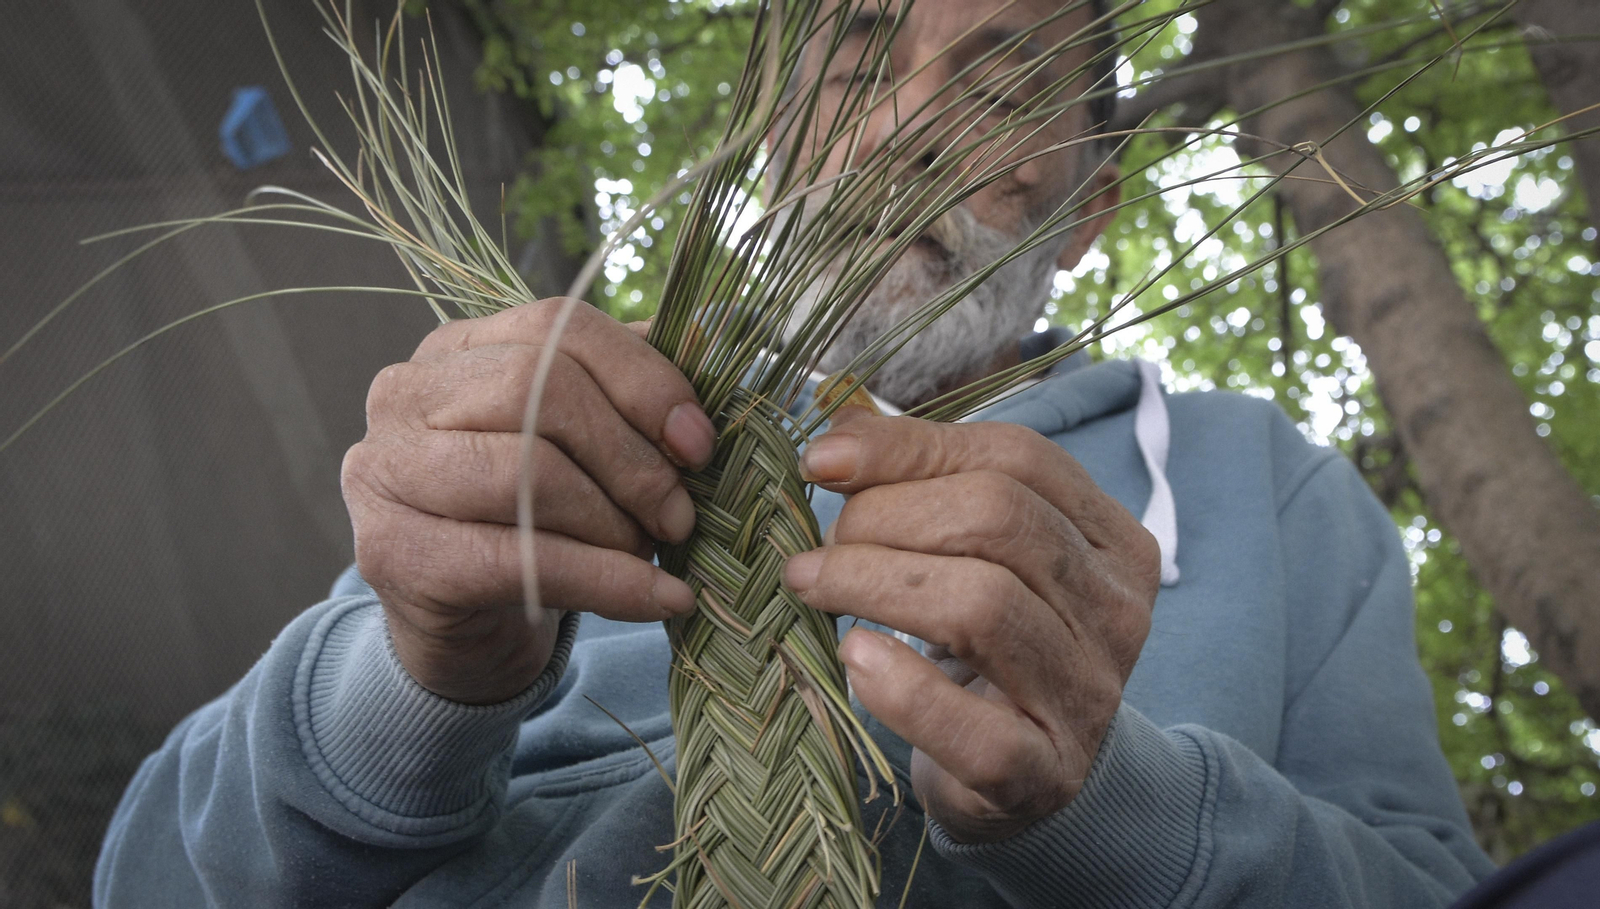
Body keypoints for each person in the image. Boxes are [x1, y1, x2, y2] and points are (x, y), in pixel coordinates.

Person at [95, 0, 1497, 906]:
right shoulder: (572, 424)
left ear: (1086, 210)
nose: (898, 133)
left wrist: (1112, 808)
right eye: (848, 61)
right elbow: (149, 879)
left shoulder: (1272, 492)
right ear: (769, 146)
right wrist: (415, 677)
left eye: (999, 90)